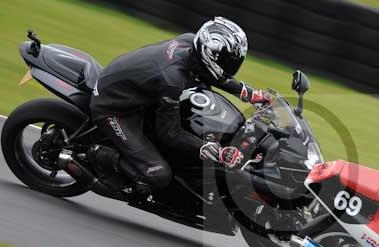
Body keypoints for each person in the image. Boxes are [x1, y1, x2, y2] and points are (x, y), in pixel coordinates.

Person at [89, 17, 271, 195]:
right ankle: (99, 155)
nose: (232, 66)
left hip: (138, 93)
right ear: (210, 54)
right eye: (228, 61)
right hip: (114, 107)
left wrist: (248, 93)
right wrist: (211, 149)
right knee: (159, 174)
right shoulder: (172, 81)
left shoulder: (190, 42)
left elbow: (210, 74)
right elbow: (170, 133)